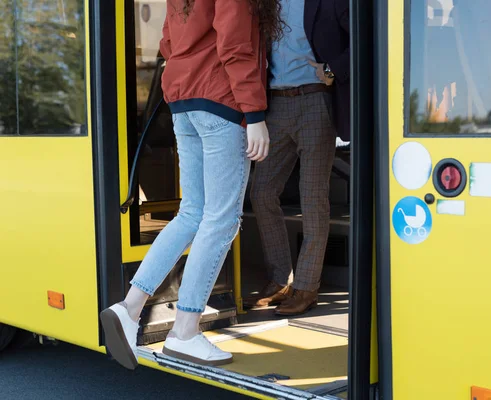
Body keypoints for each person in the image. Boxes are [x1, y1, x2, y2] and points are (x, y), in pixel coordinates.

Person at [99, 0, 283, 370]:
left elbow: (168, 42)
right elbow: (235, 45)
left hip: (183, 102)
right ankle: (184, 331)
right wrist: (255, 114)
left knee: (192, 214)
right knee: (221, 219)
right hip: (220, 102)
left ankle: (130, 307)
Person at [244, 0, 350, 315]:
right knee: (261, 192)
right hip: (274, 106)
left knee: (312, 197)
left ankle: (306, 287)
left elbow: (367, 37)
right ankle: (280, 280)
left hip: (316, 100)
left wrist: (333, 69)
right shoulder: (265, 4)